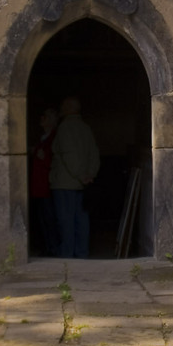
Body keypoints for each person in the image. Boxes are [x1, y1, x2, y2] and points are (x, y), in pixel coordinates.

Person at [49, 96, 100, 258]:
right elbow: (94, 154)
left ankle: (67, 256)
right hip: (82, 183)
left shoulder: (65, 128)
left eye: (63, 106)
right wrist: (90, 174)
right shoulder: (86, 128)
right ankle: (81, 254)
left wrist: (81, 175)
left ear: (69, 108)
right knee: (81, 221)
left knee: (66, 222)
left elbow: (69, 155)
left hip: (66, 183)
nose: (61, 109)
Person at [30, 107, 59, 256]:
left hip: (46, 185)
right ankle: (47, 247)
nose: (42, 119)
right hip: (39, 185)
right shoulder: (44, 137)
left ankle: (52, 249)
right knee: (43, 219)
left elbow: (53, 159)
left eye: (45, 116)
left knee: (49, 219)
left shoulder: (53, 137)